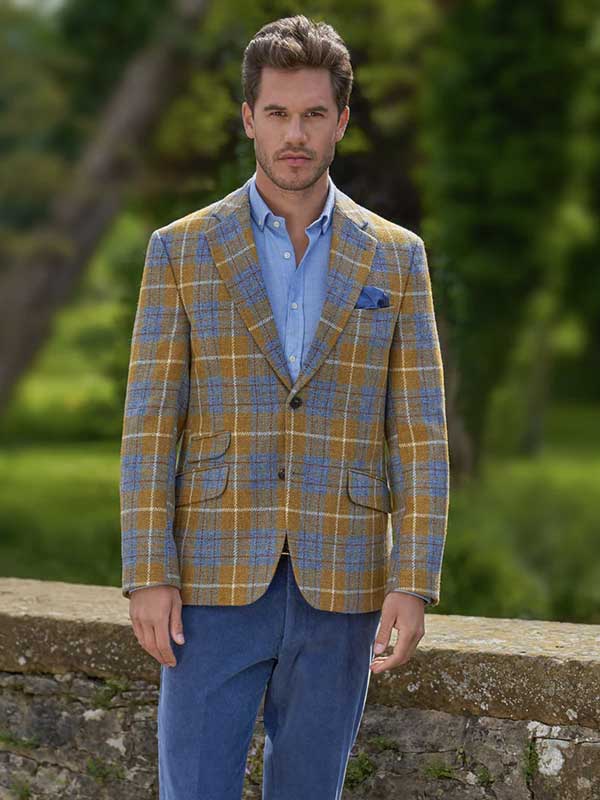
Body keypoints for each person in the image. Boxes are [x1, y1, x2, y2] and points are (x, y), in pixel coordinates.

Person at [119, 13, 450, 800]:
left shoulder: (396, 257)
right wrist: (147, 573)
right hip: (209, 583)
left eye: (311, 114)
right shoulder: (182, 249)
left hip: (343, 582)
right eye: (276, 113)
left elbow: (420, 433)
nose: (294, 134)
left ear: (341, 121)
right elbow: (150, 425)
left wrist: (413, 581)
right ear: (248, 119)